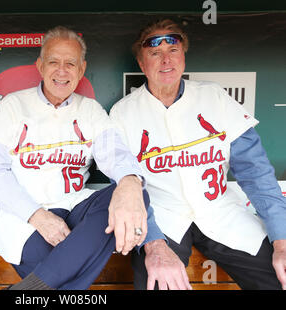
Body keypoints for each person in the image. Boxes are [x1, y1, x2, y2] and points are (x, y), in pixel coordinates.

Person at [0, 26, 190, 290]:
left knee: (133, 190)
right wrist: (38, 216)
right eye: (53, 62)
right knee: (62, 272)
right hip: (26, 216)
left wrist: (128, 181)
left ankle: (30, 289)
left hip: (74, 208)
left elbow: (114, 152)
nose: (61, 71)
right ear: (40, 65)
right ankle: (37, 287)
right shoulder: (13, 105)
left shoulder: (89, 109)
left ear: (81, 69)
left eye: (70, 63)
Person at [109, 19, 286, 290]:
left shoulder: (215, 98)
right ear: (142, 64)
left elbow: (256, 173)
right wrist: (152, 243)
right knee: (157, 282)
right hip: (162, 219)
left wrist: (282, 240)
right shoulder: (123, 113)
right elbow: (125, 191)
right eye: (155, 53)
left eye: (173, 50)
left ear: (183, 58)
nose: (166, 60)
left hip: (221, 213)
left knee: (280, 277)